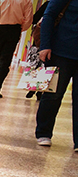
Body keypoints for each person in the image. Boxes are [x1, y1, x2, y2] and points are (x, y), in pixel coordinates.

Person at [35, 0, 78, 149]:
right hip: (61, 51)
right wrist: (45, 45)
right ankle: (43, 132)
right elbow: (50, 15)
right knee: (53, 95)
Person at [0, 0, 33, 98]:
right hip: (14, 29)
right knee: (5, 61)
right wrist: (18, 29)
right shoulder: (26, 1)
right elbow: (28, 19)